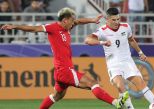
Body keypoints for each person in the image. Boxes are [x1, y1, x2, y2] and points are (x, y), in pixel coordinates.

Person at [1, 7, 129, 109]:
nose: (74, 23)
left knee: (56, 96)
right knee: (92, 83)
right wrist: (15, 26)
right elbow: (34, 28)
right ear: (65, 20)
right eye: (72, 20)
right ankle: (116, 103)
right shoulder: (53, 28)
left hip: (60, 72)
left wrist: (92, 20)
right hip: (65, 70)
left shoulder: (68, 26)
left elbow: (79, 22)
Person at [85, 7, 154, 109]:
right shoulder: (102, 31)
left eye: (118, 19)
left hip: (127, 61)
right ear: (107, 20)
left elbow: (131, 40)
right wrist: (102, 42)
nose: (117, 22)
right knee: (120, 86)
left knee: (140, 83)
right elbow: (87, 40)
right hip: (113, 63)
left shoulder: (126, 27)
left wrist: (140, 52)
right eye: (113, 20)